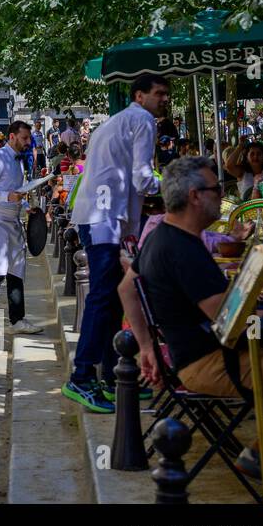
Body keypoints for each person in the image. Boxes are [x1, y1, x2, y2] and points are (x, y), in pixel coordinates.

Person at [119, 156, 263, 503]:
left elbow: (127, 289)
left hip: (200, 353)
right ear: (194, 196)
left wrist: (146, 347)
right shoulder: (183, 250)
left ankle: (262, 451)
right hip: (213, 360)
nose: (221, 196)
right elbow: (230, 324)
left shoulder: (163, 236)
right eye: (215, 189)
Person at [63, 73, 169, 413]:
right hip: (104, 218)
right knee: (102, 297)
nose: (164, 99)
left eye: (166, 94)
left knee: (108, 299)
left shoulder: (115, 122)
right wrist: (174, 185)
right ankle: (81, 377)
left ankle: (111, 376)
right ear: (140, 95)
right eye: (159, 93)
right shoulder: (143, 120)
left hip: (98, 215)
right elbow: (141, 176)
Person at [0, 120, 42, 338]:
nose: (28, 142)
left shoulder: (19, 161)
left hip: (13, 221)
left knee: (16, 272)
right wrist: (8, 196)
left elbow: (16, 191)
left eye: (28, 138)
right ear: (12, 136)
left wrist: (25, 207)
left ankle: (18, 319)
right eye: (24, 138)